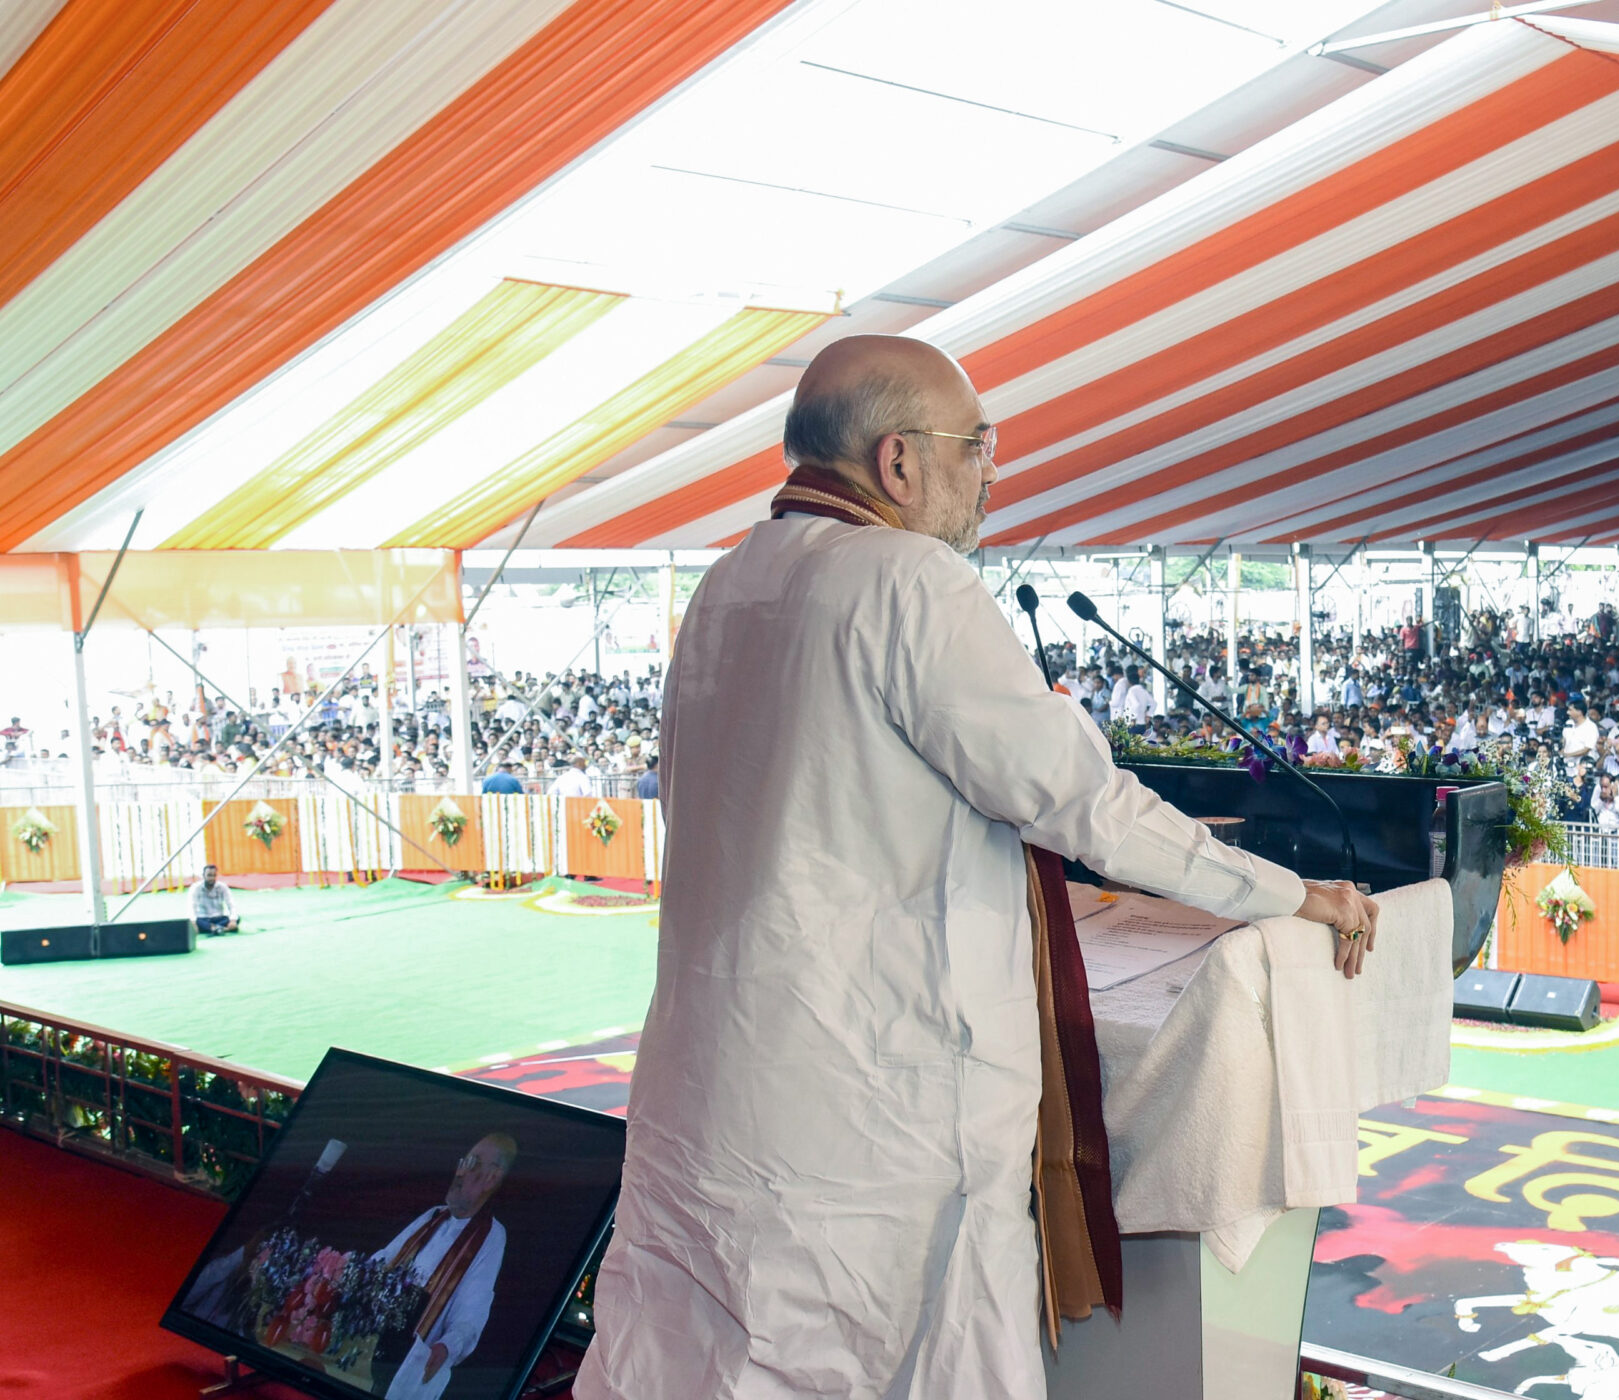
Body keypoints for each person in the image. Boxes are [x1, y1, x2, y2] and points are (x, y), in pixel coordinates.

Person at [579, 335, 1379, 1400]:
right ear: (899, 460)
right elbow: (1085, 805)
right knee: (903, 1355)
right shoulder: (910, 581)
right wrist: (1295, 894)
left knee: (721, 1353)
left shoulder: (727, 583)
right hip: (877, 1100)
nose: (992, 471)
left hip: (723, 1074)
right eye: (976, 444)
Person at [373, 1132, 514, 1400]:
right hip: (370, 1341)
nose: (459, 1172)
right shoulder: (432, 1216)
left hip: (401, 1365)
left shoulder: (491, 1236)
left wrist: (447, 1348)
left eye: (471, 1163)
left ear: (492, 1177)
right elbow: (382, 1261)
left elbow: (470, 1315)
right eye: (462, 1161)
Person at [189, 864, 238, 936]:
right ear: (203, 875)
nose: (212, 878)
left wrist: (233, 920)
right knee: (196, 921)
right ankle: (223, 929)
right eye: (209, 875)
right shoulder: (196, 888)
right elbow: (191, 906)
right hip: (203, 918)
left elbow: (231, 904)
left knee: (237, 918)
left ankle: (212, 928)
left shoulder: (222, 887)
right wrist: (193, 923)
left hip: (219, 918)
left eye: (214, 875)